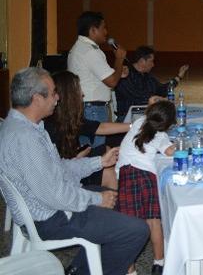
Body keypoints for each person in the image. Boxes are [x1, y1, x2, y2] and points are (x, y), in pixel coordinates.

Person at [0, 67, 149, 275]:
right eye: (53, 93)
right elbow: (56, 195)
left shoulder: (24, 126)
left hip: (52, 206)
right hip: (51, 218)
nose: (57, 98)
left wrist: (99, 162)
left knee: (118, 200)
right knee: (137, 231)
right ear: (36, 99)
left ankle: (80, 269)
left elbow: (59, 168)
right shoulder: (26, 139)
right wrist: (96, 199)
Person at [116, 100, 177, 275]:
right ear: (169, 125)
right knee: (154, 221)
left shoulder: (138, 122)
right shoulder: (161, 136)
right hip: (147, 177)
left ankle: (130, 270)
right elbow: (169, 152)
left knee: (128, 227)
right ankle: (159, 263)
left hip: (127, 175)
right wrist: (182, 146)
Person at [45, 71, 131, 189]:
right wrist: (78, 157)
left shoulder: (68, 118)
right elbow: (55, 168)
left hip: (74, 165)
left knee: (106, 149)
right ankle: (111, 201)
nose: (83, 94)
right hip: (65, 177)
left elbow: (99, 127)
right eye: (79, 90)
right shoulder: (49, 126)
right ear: (69, 95)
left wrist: (133, 126)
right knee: (108, 169)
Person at [68, 11, 127, 147]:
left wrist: (118, 72)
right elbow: (112, 81)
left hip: (88, 107)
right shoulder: (90, 51)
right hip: (93, 109)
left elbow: (102, 76)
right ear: (93, 30)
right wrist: (119, 59)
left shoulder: (81, 48)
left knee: (93, 151)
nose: (106, 32)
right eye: (103, 28)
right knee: (96, 151)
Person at [115, 46, 189, 121]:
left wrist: (179, 76)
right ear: (142, 61)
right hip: (128, 117)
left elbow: (162, 90)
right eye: (151, 61)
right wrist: (160, 100)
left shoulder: (148, 76)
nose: (153, 64)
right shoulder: (124, 75)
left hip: (147, 113)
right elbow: (138, 98)